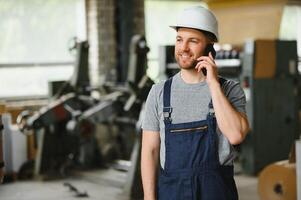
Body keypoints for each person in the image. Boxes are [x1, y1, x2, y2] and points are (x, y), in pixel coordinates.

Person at [141, 6, 249, 200]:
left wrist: (213, 84)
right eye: (179, 39)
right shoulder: (159, 93)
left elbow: (236, 135)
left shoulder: (230, 90)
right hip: (172, 192)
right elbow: (150, 151)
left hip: (216, 192)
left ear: (210, 47)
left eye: (193, 41)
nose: (183, 48)